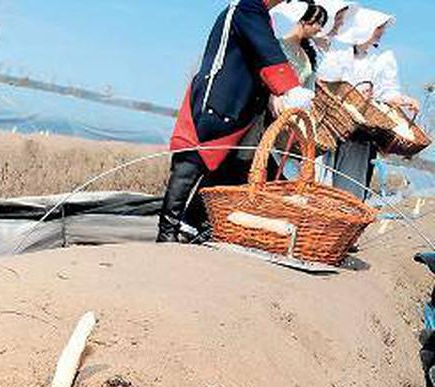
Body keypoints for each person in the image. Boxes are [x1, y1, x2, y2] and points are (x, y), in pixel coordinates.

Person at [157, 0, 314, 243]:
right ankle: (166, 233)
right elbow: (266, 50)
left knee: (228, 169)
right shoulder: (246, 7)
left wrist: (280, 91)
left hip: (240, 107)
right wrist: (289, 88)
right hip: (217, 99)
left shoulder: (261, 14)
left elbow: (262, 58)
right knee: (190, 164)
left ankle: (194, 225)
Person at [317, 8, 421, 199]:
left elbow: (387, 93)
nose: (381, 33)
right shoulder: (340, 52)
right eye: (378, 28)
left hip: (362, 130)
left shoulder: (381, 58)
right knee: (323, 178)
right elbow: (327, 81)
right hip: (333, 124)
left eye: (381, 29)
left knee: (351, 183)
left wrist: (405, 100)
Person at [270, 2, 330, 182]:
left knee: (297, 166)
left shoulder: (307, 54)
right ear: (303, 20)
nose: (319, 28)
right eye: (317, 22)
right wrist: (274, 95)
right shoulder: (278, 46)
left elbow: (309, 89)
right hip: (277, 111)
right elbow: (268, 75)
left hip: (298, 117)